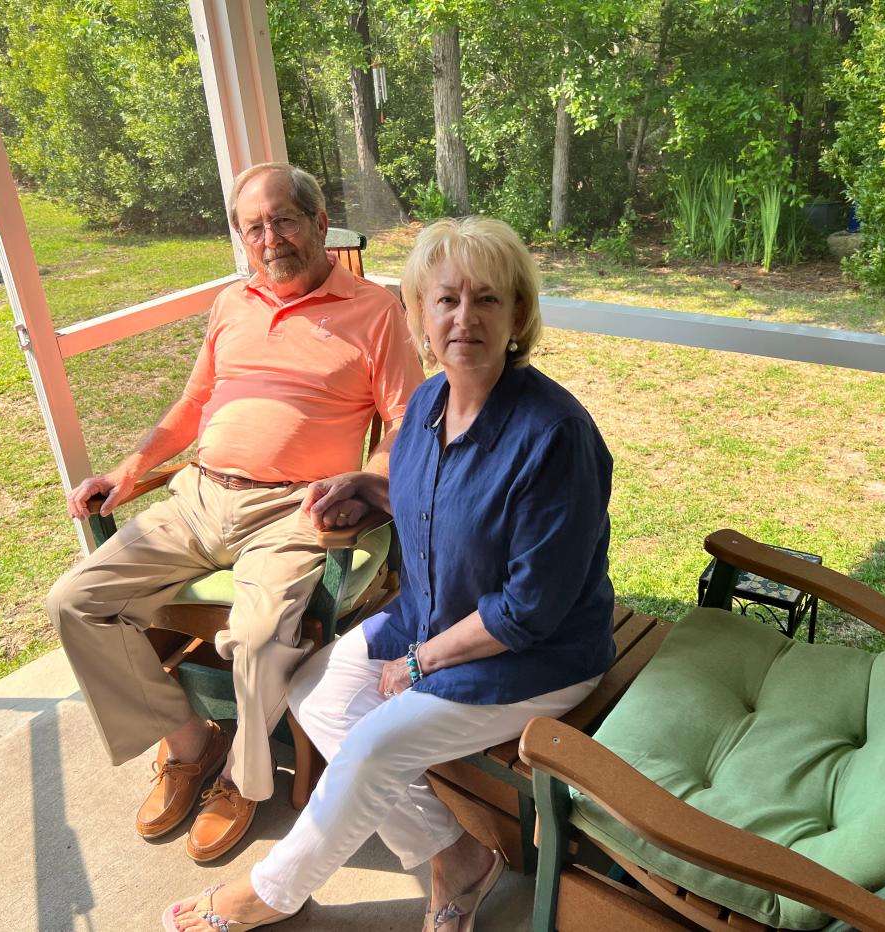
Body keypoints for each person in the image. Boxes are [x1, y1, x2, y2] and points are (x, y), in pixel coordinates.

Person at [161, 216, 617, 931]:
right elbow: (435, 497)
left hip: (537, 658)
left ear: (518, 315)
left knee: (372, 746)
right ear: (422, 317)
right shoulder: (432, 402)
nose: (465, 317)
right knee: (313, 690)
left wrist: (419, 659)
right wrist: (368, 489)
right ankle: (456, 857)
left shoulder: (554, 436)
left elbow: (529, 610)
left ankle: (264, 895)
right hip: (433, 616)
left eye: (488, 300)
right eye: (447, 300)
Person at [46, 162, 424, 863]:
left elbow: (408, 422)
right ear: (242, 239)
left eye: (284, 219)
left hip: (294, 510)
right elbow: (193, 404)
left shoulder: (375, 312)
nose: (271, 237)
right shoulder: (232, 305)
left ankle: (241, 781)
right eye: (255, 227)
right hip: (197, 496)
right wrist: (130, 471)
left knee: (256, 637)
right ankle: (190, 740)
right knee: (75, 601)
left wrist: (366, 485)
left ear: (318, 224)